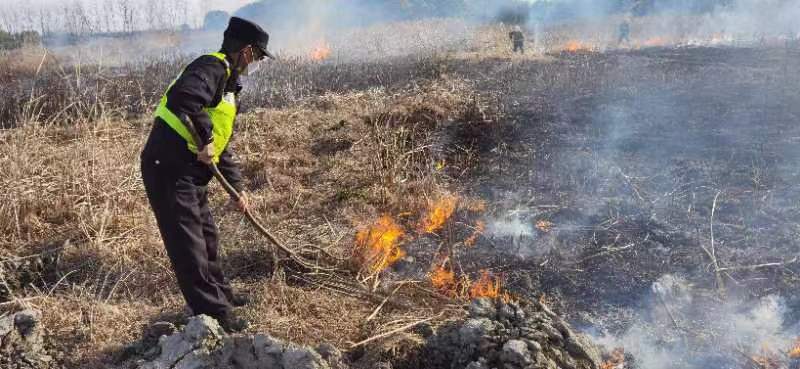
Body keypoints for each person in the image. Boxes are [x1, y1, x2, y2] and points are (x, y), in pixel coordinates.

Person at [140, 16, 274, 333]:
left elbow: (221, 146)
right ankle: (214, 315)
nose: (256, 63)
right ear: (244, 51)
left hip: (190, 173)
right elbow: (182, 99)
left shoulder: (229, 88)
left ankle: (222, 297)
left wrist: (237, 189)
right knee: (189, 246)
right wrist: (206, 139)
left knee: (207, 238)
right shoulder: (210, 66)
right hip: (167, 167)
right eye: (256, 56)